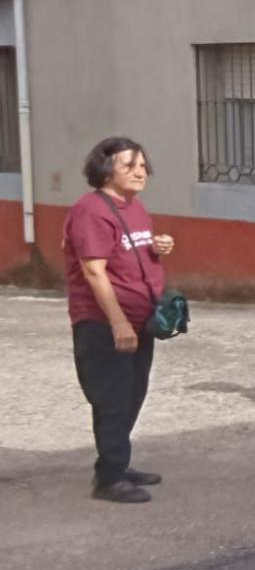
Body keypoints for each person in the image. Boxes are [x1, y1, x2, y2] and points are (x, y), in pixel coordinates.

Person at [62, 137, 176, 503]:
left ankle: (117, 461)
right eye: (130, 165)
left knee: (132, 393)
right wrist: (118, 322)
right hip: (103, 323)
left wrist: (157, 246)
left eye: (143, 165)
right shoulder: (91, 211)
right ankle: (109, 479)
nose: (140, 172)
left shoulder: (134, 207)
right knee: (112, 397)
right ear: (106, 168)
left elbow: (130, 253)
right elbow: (94, 272)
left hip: (139, 319)